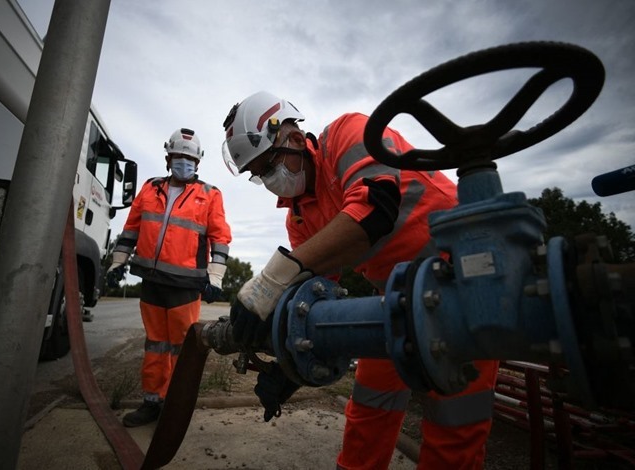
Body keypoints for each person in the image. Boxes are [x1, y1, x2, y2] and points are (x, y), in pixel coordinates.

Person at [221, 92, 499, 469]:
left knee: (454, 426)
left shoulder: (348, 135)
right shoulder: (300, 218)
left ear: (296, 140)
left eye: (269, 165)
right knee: (368, 410)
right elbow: (317, 299)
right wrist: (289, 369)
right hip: (395, 300)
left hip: (462, 279)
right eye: (259, 174)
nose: (270, 180)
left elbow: (375, 209)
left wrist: (270, 281)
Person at [110, 128, 232, 427]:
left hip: (186, 287)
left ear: (198, 162)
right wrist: (116, 265)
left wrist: (215, 278)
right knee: (155, 345)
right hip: (152, 283)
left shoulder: (209, 194)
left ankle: (176, 408)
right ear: (168, 158)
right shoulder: (150, 189)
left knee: (181, 348)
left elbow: (220, 238)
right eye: (179, 156)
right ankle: (152, 403)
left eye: (189, 158)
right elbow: (130, 229)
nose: (184, 162)